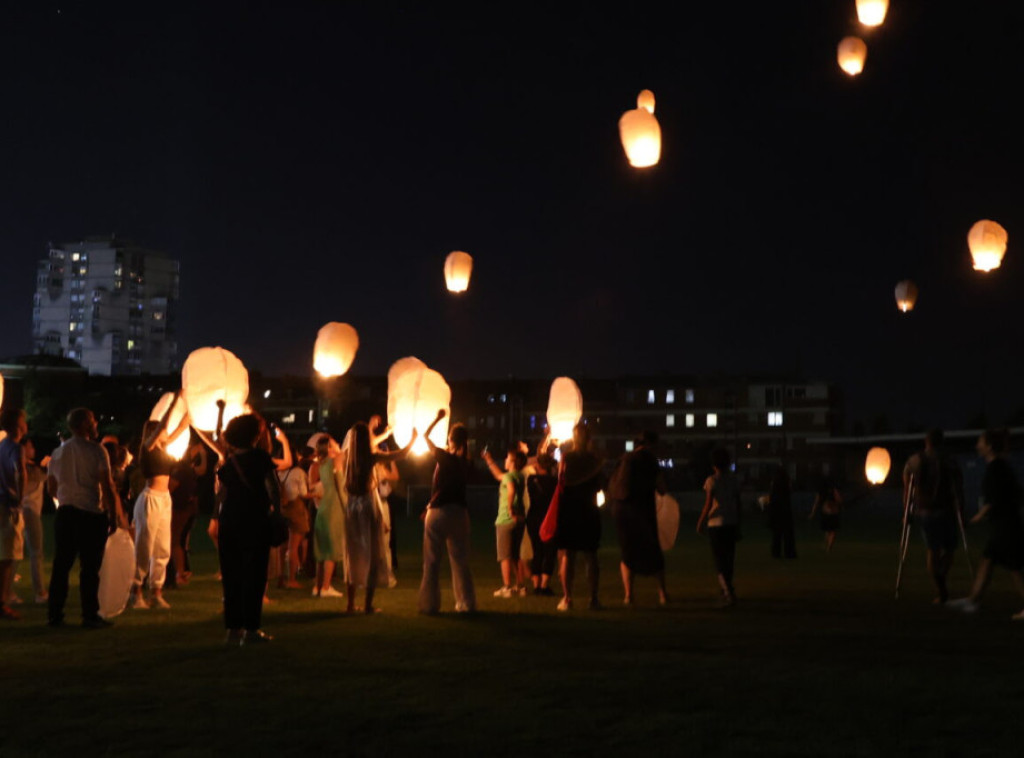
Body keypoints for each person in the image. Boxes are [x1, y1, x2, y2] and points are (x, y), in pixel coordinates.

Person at [46, 407, 128, 628]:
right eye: (92, 421)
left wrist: (65, 496)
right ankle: (89, 615)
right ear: (84, 425)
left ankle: (55, 614)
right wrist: (112, 515)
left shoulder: (58, 453)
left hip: (65, 513)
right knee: (90, 568)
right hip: (90, 512)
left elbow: (51, 488)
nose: (96, 424)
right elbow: (107, 484)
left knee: (61, 566)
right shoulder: (96, 451)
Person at [216, 414, 280, 646]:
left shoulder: (229, 462)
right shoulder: (261, 458)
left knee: (231, 577)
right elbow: (273, 488)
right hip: (255, 522)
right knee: (254, 576)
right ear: (255, 435)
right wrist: (277, 513)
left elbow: (221, 494)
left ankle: (232, 630)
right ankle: (251, 630)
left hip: (230, 522)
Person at [948, 429, 1024, 619]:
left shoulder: (996, 469)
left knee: (1016, 567)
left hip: (1006, 527)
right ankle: (973, 600)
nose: (977, 446)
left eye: (980, 442)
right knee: (987, 560)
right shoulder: (1000, 466)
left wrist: (973, 520)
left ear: (989, 446)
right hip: (1004, 525)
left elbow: (992, 502)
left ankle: (974, 601)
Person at [339, 421, 413, 614]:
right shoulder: (371, 457)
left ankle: (350, 604)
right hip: (366, 505)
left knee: (353, 554)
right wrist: (413, 439)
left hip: (351, 507)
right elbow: (401, 454)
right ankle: (367, 605)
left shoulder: (346, 458)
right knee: (372, 552)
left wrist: (383, 433)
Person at [130, 398, 190, 609]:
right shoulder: (148, 448)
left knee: (163, 547)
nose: (166, 433)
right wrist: (174, 401)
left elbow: (183, 425)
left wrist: (189, 402)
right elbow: (164, 426)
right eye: (162, 431)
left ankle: (156, 592)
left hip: (165, 499)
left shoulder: (165, 450)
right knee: (144, 546)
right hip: (150, 499)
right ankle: (136, 591)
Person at [418, 410, 477, 615]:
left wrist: (438, 418)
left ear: (451, 440)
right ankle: (466, 603)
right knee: (460, 561)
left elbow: (425, 436)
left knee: (432, 561)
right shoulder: (466, 463)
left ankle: (429, 604)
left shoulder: (444, 457)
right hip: (460, 513)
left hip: (439, 513)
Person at [903, 429, 964, 603]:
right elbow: (958, 488)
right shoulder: (950, 461)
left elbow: (907, 489)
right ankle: (942, 585)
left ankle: (940, 586)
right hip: (946, 512)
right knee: (949, 550)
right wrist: (961, 509)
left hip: (926, 512)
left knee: (933, 550)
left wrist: (906, 512)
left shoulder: (915, 460)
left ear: (926, 442)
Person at [609, 431, 668, 606]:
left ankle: (629, 595)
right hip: (642, 510)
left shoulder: (624, 458)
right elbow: (662, 488)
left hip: (620, 510)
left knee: (627, 552)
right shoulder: (650, 460)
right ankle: (662, 594)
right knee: (653, 552)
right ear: (651, 444)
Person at [553, 423, 604, 611]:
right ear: (589, 439)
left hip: (569, 510)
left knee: (568, 555)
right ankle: (593, 598)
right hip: (589, 510)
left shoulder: (566, 458)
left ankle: (567, 598)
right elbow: (600, 485)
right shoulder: (595, 460)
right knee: (591, 555)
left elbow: (559, 481)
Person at [696, 447, 741, 607]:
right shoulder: (734, 480)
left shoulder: (711, 480)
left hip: (716, 524)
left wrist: (700, 522)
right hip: (731, 522)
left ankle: (728, 592)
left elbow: (708, 504)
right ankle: (726, 589)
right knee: (729, 560)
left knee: (719, 560)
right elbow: (737, 503)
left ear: (714, 464)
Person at [483, 445, 527, 598]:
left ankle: (507, 587)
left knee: (504, 555)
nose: (505, 460)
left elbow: (511, 488)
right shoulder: (519, 475)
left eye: (508, 458)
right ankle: (520, 587)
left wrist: (509, 507)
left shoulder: (509, 478)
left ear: (513, 461)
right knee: (515, 555)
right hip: (519, 519)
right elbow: (499, 476)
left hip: (506, 519)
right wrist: (489, 460)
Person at [0, 408, 28, 619]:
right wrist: (20, 497)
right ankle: (2, 602)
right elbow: (21, 473)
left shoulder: (1, 446)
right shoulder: (16, 448)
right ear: (18, 426)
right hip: (9, 506)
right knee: (8, 557)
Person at [312, 435, 345, 598]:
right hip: (334, 507)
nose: (338, 444)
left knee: (321, 550)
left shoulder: (321, 464)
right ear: (330, 449)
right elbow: (340, 486)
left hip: (323, 508)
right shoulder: (336, 460)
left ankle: (317, 587)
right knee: (331, 549)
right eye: (334, 443)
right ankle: (326, 587)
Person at [18, 437, 50, 604]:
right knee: (36, 552)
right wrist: (46, 466)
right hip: (29, 511)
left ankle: (7, 592)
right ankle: (40, 592)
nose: (33, 450)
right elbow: (42, 477)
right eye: (30, 447)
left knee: (15, 552)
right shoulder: (28, 468)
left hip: (21, 510)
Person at [525, 452, 558, 595]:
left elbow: (529, 464)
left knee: (537, 552)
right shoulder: (554, 481)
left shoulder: (532, 480)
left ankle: (536, 585)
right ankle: (545, 586)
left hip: (533, 519)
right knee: (549, 552)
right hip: (548, 519)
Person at [277, 453, 311, 589]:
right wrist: (316, 493)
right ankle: (291, 579)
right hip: (295, 509)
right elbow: (303, 493)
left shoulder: (279, 472)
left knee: (282, 546)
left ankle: (280, 577)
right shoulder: (298, 472)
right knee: (293, 546)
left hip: (282, 509)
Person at [766, 466, 796, 560]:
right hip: (786, 511)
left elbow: (771, 497)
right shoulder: (787, 483)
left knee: (776, 534)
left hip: (776, 511)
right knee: (788, 534)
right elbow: (790, 492)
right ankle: (789, 552)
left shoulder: (774, 483)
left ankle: (776, 553)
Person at [808, 476, 843, 552]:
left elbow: (816, 503)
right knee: (833, 531)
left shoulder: (821, 492)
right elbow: (839, 500)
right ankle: (829, 546)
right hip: (834, 512)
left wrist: (812, 513)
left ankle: (827, 545)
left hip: (826, 512)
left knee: (827, 530)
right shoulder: (834, 491)